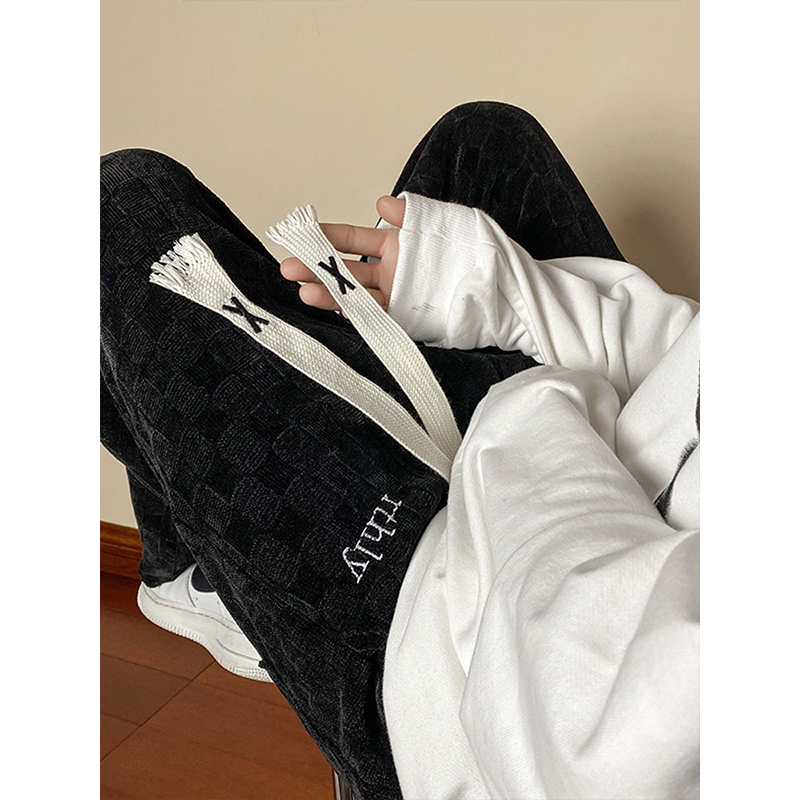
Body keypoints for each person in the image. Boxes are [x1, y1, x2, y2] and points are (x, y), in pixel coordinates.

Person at [101, 101, 699, 800]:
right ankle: (225, 571)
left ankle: (208, 576)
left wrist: (529, 412)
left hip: (461, 655)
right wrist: (490, 291)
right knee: (483, 142)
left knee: (118, 207)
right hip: (571, 453)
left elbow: (595, 732)